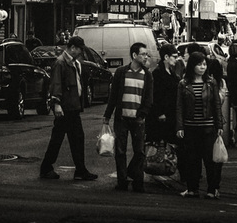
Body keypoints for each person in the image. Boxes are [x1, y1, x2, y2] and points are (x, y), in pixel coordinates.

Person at [40, 36, 98, 182]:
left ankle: (77, 169)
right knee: (63, 138)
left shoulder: (73, 63)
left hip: (72, 107)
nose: (80, 52)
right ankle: (48, 168)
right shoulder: (61, 63)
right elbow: (56, 83)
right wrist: (57, 103)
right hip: (66, 108)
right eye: (79, 49)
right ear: (72, 47)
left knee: (73, 138)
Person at [103, 42, 153, 193]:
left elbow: (149, 98)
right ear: (134, 55)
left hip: (138, 119)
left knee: (139, 152)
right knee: (120, 151)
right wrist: (107, 115)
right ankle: (122, 181)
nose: (146, 57)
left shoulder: (147, 75)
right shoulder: (121, 72)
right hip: (122, 118)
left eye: (146, 54)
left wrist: (142, 114)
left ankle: (138, 181)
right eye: (143, 54)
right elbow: (113, 96)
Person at [175, 52, 223, 199]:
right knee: (192, 160)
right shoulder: (183, 84)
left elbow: (216, 104)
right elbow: (179, 107)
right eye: (199, 64)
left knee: (211, 160)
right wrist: (180, 127)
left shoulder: (211, 82)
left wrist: (219, 124)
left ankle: (212, 189)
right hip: (190, 127)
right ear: (192, 66)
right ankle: (192, 189)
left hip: (208, 127)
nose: (202, 67)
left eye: (204, 64)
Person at [146, 44, 180, 145]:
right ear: (166, 57)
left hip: (171, 115)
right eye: (174, 56)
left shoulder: (171, 72)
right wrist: (159, 113)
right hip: (161, 117)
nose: (176, 59)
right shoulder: (157, 73)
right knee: (161, 145)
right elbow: (154, 96)